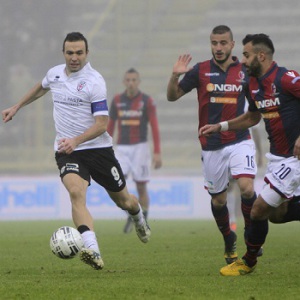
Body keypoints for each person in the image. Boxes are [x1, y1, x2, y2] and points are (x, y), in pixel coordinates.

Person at [2, 32, 151, 271]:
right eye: (70, 52)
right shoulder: (55, 73)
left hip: (98, 149)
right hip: (67, 151)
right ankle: (92, 249)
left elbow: (102, 124)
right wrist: (17, 106)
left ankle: (138, 217)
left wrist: (76, 139)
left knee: (124, 200)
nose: (74, 57)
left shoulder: (95, 82)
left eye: (79, 53)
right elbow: (41, 88)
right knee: (75, 193)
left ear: (87, 53)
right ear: (64, 53)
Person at [200, 33, 300, 276]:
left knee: (257, 209)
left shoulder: (286, 78)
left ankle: (248, 261)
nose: (242, 61)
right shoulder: (253, 84)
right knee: (275, 214)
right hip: (277, 159)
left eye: (246, 55)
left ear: (261, 55)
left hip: (294, 158)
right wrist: (221, 126)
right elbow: (252, 117)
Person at [167, 25, 260, 265]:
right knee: (218, 201)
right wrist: (175, 75)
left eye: (222, 43)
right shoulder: (200, 70)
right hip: (211, 145)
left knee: (247, 188)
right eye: (214, 43)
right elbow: (172, 96)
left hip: (240, 139)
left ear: (232, 45)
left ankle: (252, 235)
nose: (218, 48)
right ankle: (229, 238)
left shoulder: (244, 71)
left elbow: (256, 110)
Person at [107, 68, 162, 233]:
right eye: (128, 80)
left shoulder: (147, 101)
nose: (131, 83)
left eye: (134, 80)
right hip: (121, 148)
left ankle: (143, 221)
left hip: (140, 147)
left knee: (141, 186)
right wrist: (106, 147)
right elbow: (110, 126)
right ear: (124, 82)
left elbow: (154, 126)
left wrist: (157, 151)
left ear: (138, 82)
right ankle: (133, 213)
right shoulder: (117, 100)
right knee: (117, 185)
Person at [228, 121, 264, 232]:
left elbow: (255, 130)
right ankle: (232, 220)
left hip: (246, 150)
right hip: (230, 148)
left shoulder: (249, 105)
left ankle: (248, 223)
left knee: (247, 188)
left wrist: (260, 153)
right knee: (230, 187)